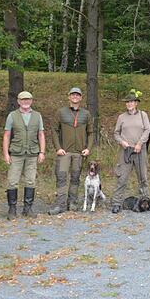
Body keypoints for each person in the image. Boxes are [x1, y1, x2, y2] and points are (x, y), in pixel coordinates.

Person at [48, 87, 94, 215]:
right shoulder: (61, 112)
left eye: (77, 95)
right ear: (69, 97)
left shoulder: (86, 114)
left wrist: (88, 148)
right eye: (73, 94)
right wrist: (58, 148)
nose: (75, 97)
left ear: (81, 97)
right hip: (64, 153)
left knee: (75, 178)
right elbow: (54, 131)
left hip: (79, 153)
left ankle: (72, 203)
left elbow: (90, 133)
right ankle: (60, 205)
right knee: (61, 177)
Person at [3, 91, 46, 219]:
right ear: (18, 101)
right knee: (12, 181)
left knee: (31, 180)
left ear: (31, 101)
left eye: (28, 99)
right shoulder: (12, 116)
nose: (25, 102)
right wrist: (6, 153)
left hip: (32, 153)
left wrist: (42, 152)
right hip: (16, 153)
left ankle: (28, 208)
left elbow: (41, 134)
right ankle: (12, 209)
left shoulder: (37, 116)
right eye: (23, 100)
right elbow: (6, 135)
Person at [111, 89, 150, 214]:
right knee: (122, 177)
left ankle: (145, 202)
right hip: (126, 151)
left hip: (140, 150)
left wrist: (140, 143)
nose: (129, 104)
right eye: (127, 102)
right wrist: (122, 142)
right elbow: (116, 133)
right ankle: (117, 203)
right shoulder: (121, 117)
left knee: (142, 177)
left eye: (132, 102)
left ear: (136, 103)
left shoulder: (143, 115)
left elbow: (147, 130)